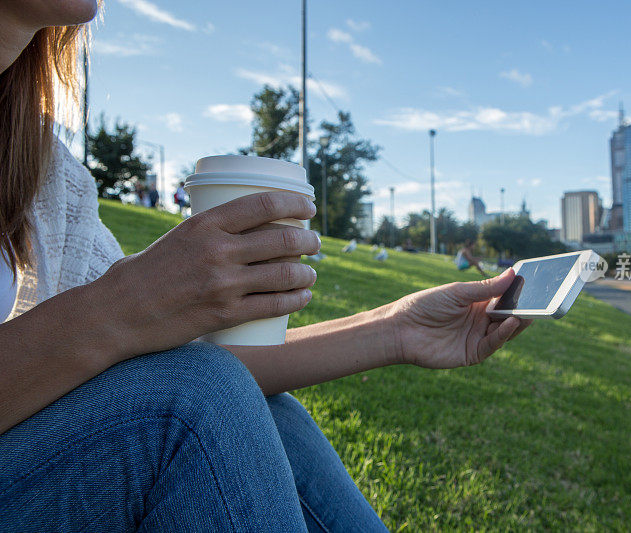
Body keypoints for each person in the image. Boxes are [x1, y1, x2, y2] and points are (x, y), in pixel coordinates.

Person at [0, 3, 530, 530]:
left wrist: (396, 330)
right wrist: (119, 306)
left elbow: (161, 371)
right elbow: (171, 379)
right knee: (193, 401)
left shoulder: (44, 175)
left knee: (266, 412)